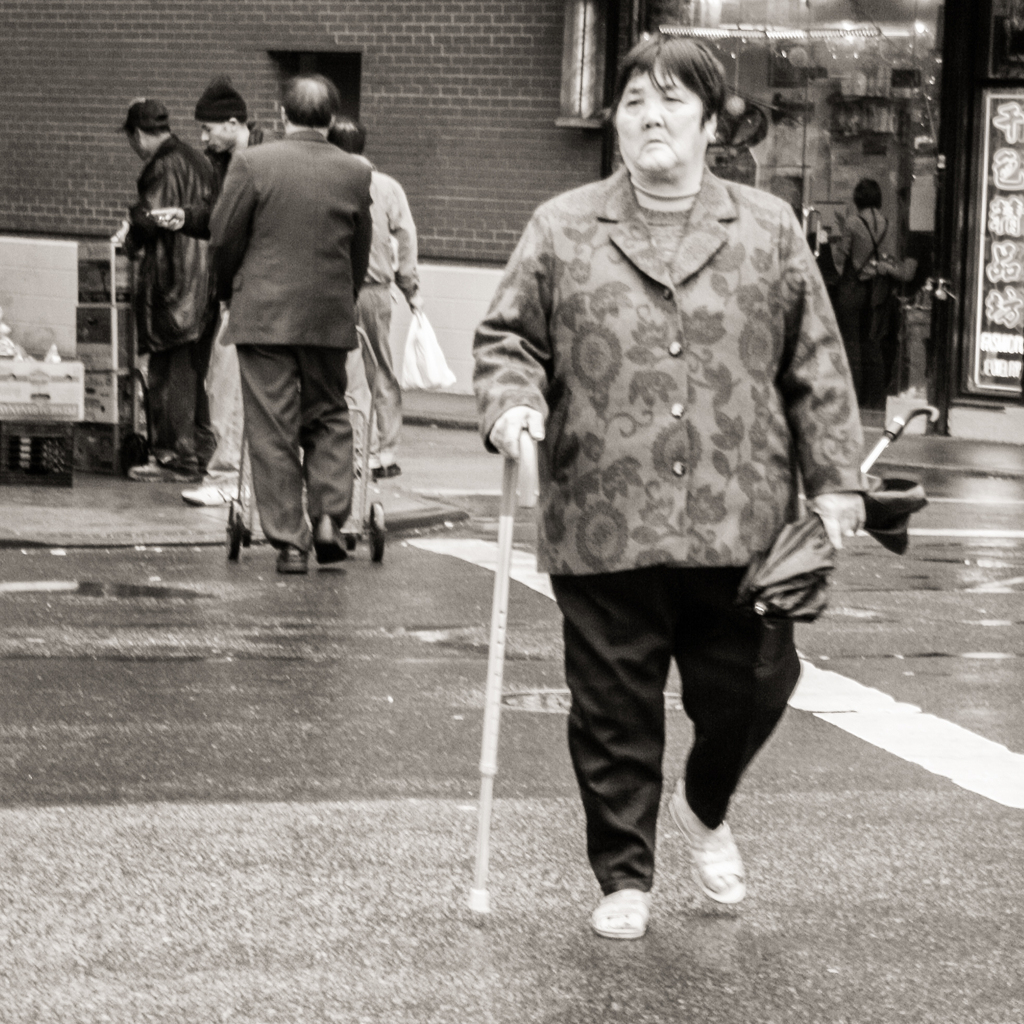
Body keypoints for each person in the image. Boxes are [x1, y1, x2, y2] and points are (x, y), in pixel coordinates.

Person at [473, 36, 866, 941]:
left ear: (711, 123)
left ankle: (705, 803)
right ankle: (625, 876)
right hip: (602, 513)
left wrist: (836, 481)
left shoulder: (767, 227)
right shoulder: (562, 226)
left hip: (743, 518)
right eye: (636, 102)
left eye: (674, 100)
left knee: (757, 686)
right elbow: (508, 340)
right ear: (616, 121)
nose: (653, 117)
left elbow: (816, 361)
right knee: (613, 712)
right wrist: (512, 405)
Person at [209, 74, 372, 575]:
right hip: (327, 316)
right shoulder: (356, 172)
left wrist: (227, 292)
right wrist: (344, 297)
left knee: (272, 427)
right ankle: (328, 519)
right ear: (332, 118)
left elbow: (224, 238)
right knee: (329, 414)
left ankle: (290, 543)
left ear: (283, 115)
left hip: (264, 316)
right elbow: (359, 250)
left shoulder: (253, 163)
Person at [150, 76, 263, 508]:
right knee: (226, 385)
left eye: (208, 128)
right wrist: (186, 217)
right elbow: (219, 218)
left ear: (233, 123)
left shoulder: (255, 163)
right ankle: (240, 475)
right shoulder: (224, 163)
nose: (202, 138)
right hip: (235, 293)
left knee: (227, 388)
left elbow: (233, 229)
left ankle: (229, 477)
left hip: (248, 294)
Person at [121, 98, 218, 483]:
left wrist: (131, 232)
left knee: (169, 373)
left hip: (175, 283)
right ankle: (199, 450)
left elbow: (148, 221)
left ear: (138, 134)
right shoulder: (197, 159)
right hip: (204, 282)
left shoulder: (162, 165)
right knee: (192, 373)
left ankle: (176, 458)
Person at [327, 119, 423, 480]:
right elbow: (405, 239)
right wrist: (410, 288)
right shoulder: (387, 187)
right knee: (379, 367)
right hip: (374, 291)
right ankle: (384, 452)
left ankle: (350, 448)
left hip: (334, 290)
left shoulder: (328, 180)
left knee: (339, 370)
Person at [832, 177, 905, 409]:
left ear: (857, 198)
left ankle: (855, 397)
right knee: (873, 344)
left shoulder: (852, 223)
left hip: (854, 290)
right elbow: (889, 257)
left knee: (852, 345)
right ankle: (876, 399)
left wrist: (836, 243)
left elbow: (840, 258)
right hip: (878, 290)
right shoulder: (887, 223)